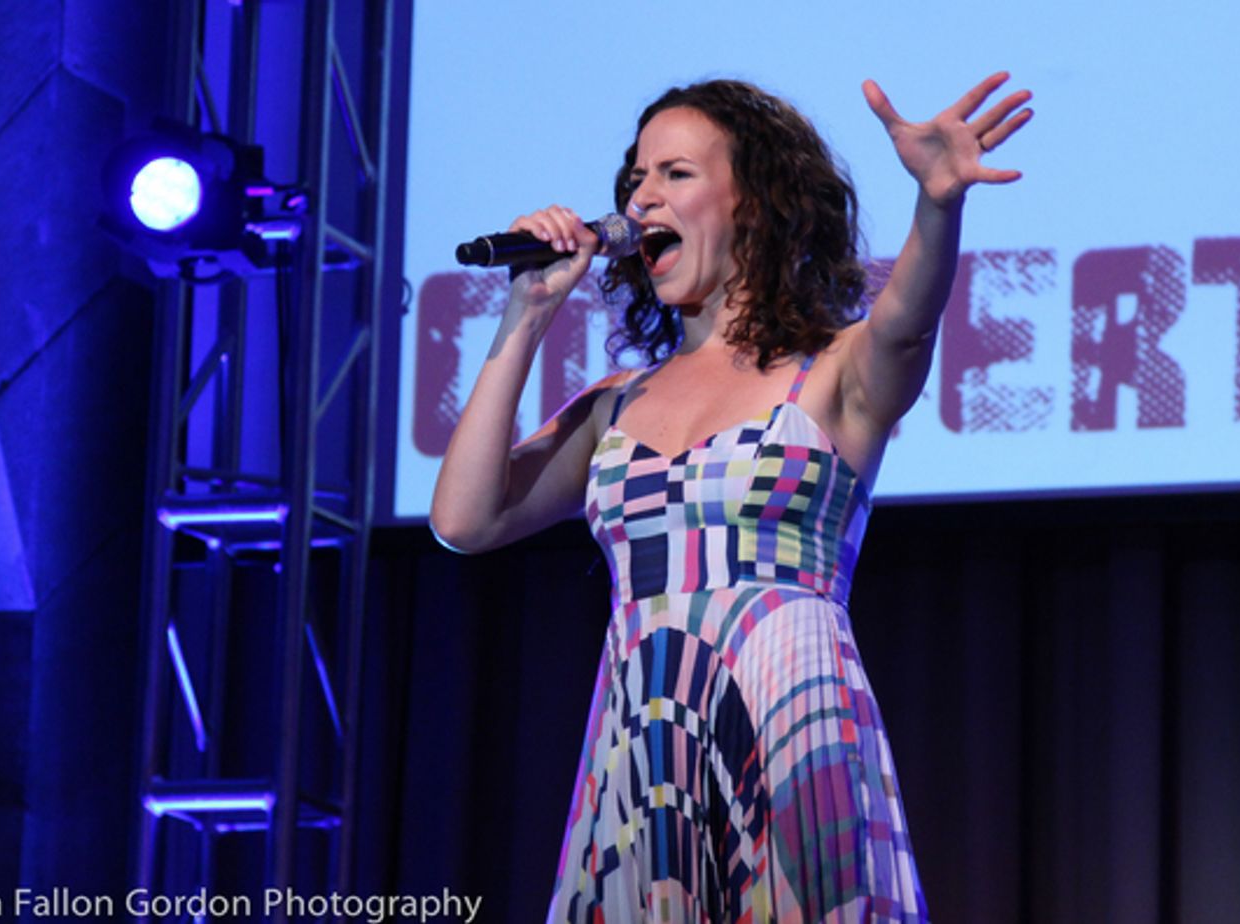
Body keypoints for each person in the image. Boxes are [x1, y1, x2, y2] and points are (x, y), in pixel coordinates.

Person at [430, 73, 1032, 923]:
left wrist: (938, 204)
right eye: (634, 180)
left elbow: (908, 321)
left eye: (674, 174)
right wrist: (524, 315)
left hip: (790, 732)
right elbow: (463, 519)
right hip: (645, 751)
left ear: (755, 203)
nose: (642, 199)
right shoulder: (616, 405)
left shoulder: (833, 374)